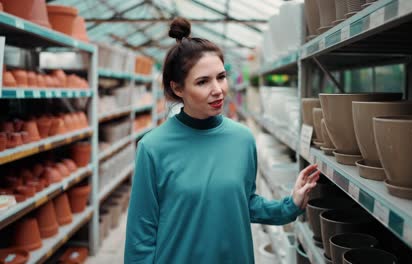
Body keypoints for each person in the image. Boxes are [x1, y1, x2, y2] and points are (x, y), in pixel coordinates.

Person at [124, 17, 321, 264]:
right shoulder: (152, 148)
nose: (217, 89)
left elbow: (245, 203)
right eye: (203, 82)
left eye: (221, 76)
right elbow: (140, 237)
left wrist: (290, 205)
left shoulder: (242, 139)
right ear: (177, 89)